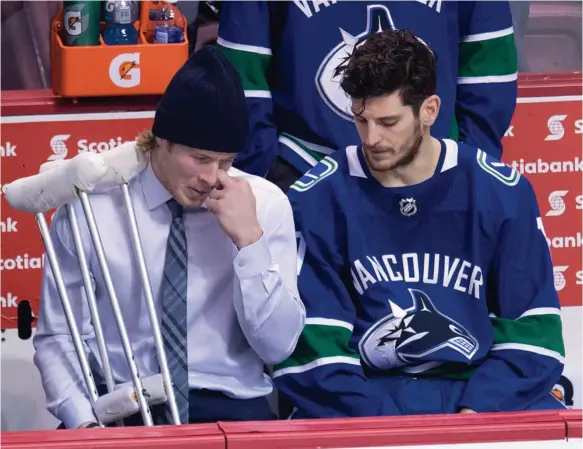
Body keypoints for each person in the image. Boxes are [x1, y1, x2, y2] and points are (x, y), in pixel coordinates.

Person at [272, 29, 565, 418]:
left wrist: (477, 413)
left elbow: (534, 335)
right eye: (361, 119)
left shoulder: (500, 193)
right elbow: (313, 348)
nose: (371, 138)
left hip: (479, 392)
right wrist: (386, 428)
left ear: (429, 110)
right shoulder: (317, 197)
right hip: (364, 397)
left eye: (388, 122)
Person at [33, 46, 306, 429]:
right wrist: (83, 424)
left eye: (226, 162)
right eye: (200, 159)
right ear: (160, 140)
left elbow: (278, 346)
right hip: (118, 403)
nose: (212, 177)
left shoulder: (264, 205)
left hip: (228, 405)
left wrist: (250, 242)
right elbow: (59, 336)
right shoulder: (91, 207)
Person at [217, 0, 518, 192]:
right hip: (305, 170)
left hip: (431, 176)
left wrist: (465, 165)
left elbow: (488, 69)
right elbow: (242, 72)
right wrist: (264, 169)